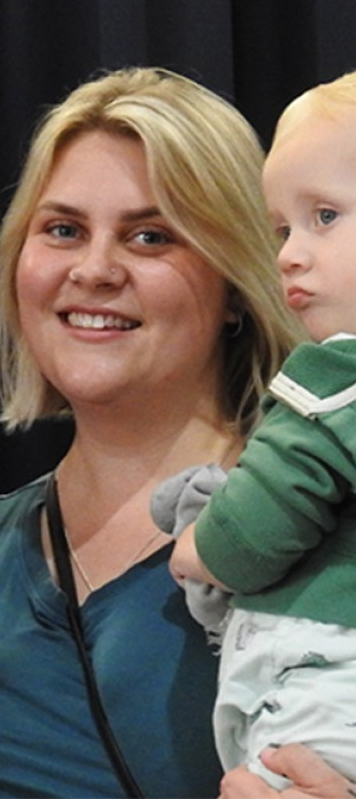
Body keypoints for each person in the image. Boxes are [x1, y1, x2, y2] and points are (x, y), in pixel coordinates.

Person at [0, 67, 304, 798]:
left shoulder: (319, 536)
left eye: (150, 236)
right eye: (63, 229)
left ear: (236, 286)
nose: (93, 269)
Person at [169, 71, 356, 787]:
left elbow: (251, 532)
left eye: (325, 216)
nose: (288, 253)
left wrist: (197, 547)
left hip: (323, 693)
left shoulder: (331, 379)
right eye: (281, 228)